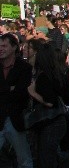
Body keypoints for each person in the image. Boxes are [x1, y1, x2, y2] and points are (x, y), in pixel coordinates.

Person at [27, 42, 69, 167]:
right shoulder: (55, 73)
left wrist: (33, 93)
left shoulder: (44, 77)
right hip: (56, 120)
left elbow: (50, 102)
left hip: (50, 121)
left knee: (46, 156)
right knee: (49, 154)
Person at [0, 33, 33, 167]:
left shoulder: (24, 68)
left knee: (24, 159)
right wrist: (9, 89)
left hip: (15, 119)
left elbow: (22, 93)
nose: (1, 49)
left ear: (14, 47)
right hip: (0, 117)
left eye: (4, 46)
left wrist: (7, 90)